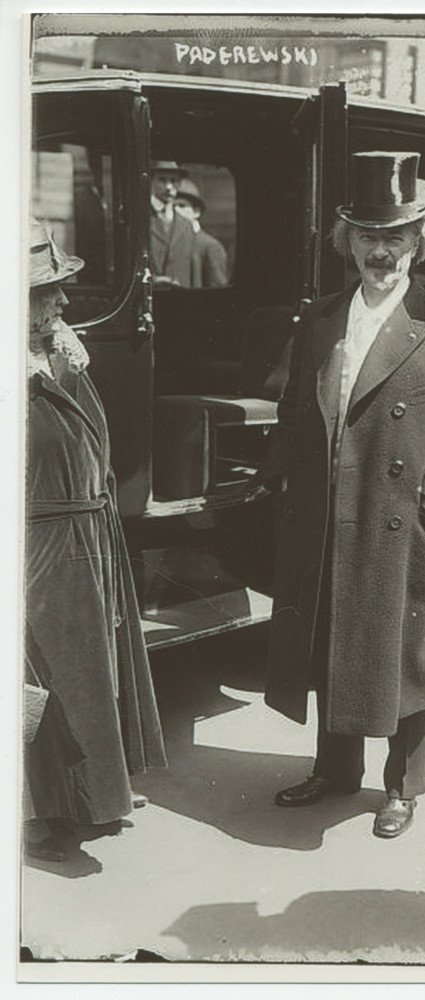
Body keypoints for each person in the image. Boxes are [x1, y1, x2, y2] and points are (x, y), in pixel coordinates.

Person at [257, 151, 425, 839]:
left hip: (401, 521)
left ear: (418, 243)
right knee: (335, 644)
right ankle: (336, 771)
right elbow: (294, 411)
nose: (382, 250)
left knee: (407, 657)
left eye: (395, 236)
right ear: (349, 243)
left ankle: (403, 786)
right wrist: (283, 477)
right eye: (369, 235)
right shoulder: (323, 317)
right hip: (332, 516)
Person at [25, 220, 167, 862]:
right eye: (44, 292)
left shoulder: (59, 349)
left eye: (58, 289)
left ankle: (93, 798)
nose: (61, 302)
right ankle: (36, 816)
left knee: (90, 675)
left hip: (87, 533)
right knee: (46, 681)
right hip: (38, 544)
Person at [174, 177, 229, 288]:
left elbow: (218, 289)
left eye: (181, 205)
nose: (175, 211)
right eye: (172, 206)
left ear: (196, 212)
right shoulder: (171, 241)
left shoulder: (210, 246)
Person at [150, 160, 197, 288]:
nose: (168, 187)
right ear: (151, 181)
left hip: (181, 300)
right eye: (162, 180)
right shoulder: (140, 220)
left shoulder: (186, 225)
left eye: (174, 181)